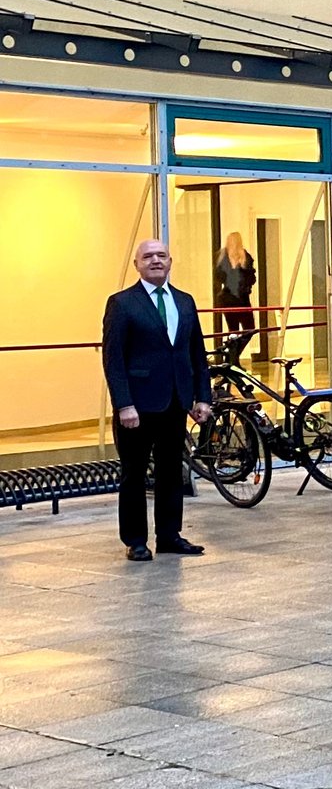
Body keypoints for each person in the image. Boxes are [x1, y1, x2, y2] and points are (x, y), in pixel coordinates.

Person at [101, 240, 213, 561]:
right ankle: (135, 540)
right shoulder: (122, 304)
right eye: (147, 257)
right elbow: (114, 359)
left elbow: (196, 354)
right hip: (137, 406)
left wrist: (202, 397)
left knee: (170, 473)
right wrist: (124, 403)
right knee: (134, 474)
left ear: (170, 262)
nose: (155, 261)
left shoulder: (185, 302)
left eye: (161, 256)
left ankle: (169, 535)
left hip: (176, 403)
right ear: (137, 264)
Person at [213, 232, 258, 366]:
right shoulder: (224, 257)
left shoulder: (244, 257)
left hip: (237, 298)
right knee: (241, 329)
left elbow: (251, 277)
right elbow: (220, 277)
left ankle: (232, 357)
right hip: (232, 298)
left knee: (244, 330)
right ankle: (232, 359)